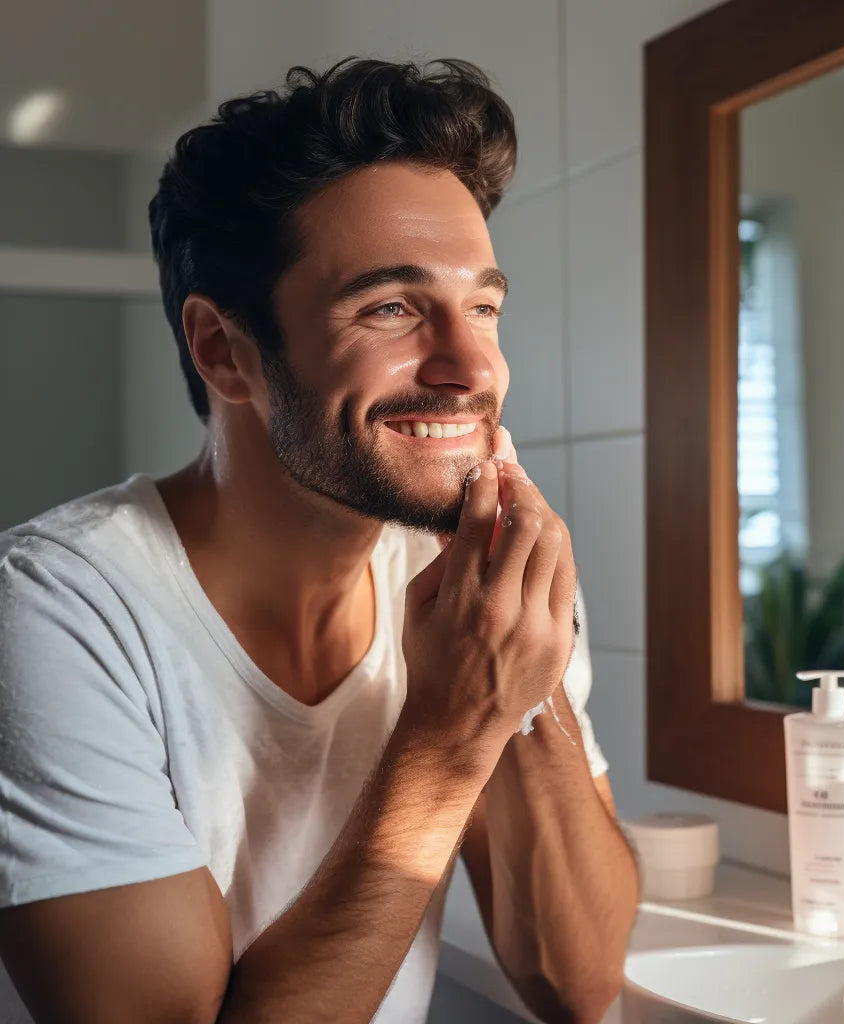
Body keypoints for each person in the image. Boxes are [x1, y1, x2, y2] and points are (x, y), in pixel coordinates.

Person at [0, 57, 639, 1023]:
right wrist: (452, 732)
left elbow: (577, 986)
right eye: (391, 307)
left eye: (483, 307)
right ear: (224, 351)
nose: (472, 367)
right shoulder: (59, 612)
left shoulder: (473, 585)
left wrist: (527, 681)